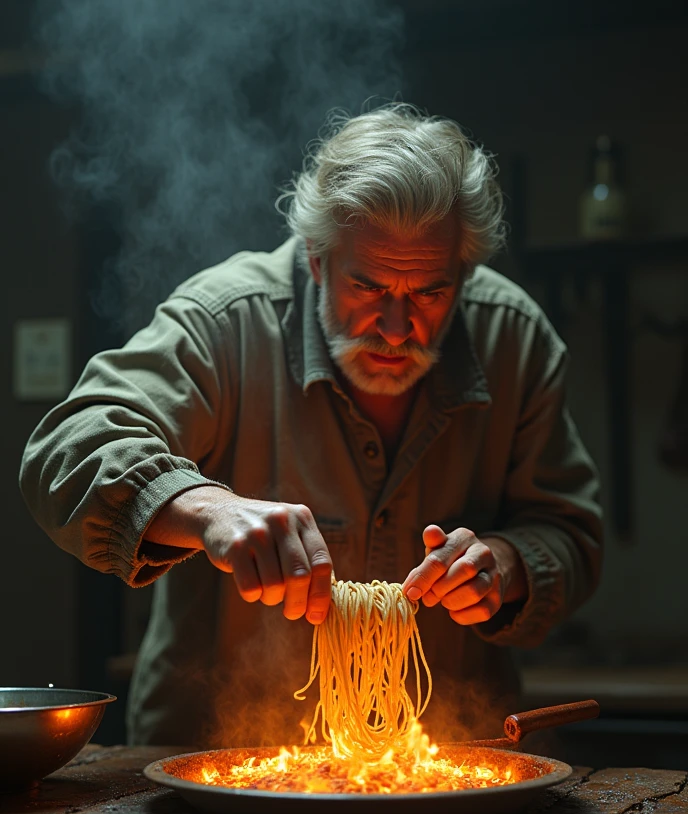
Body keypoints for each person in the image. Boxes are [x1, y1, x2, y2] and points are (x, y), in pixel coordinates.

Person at [20, 104, 603, 748]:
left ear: (465, 273)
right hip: (218, 760)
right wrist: (207, 509)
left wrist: (509, 564)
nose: (394, 327)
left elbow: (573, 533)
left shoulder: (515, 340)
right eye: (369, 287)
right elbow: (67, 446)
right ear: (319, 260)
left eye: (429, 294)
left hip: (445, 760)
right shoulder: (228, 319)